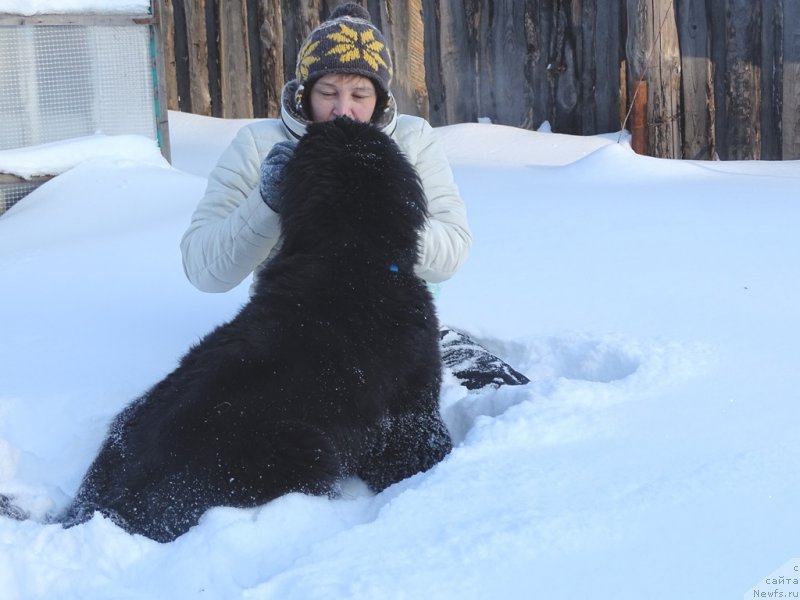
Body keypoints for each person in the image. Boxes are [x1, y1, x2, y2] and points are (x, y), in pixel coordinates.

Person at [180, 3, 527, 390]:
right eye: (328, 91)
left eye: (359, 94)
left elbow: (452, 251)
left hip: (396, 325)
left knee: (503, 398)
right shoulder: (258, 146)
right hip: (294, 328)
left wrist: (388, 213)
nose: (342, 111)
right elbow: (203, 270)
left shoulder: (413, 140)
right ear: (306, 91)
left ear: (379, 98)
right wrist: (267, 202)